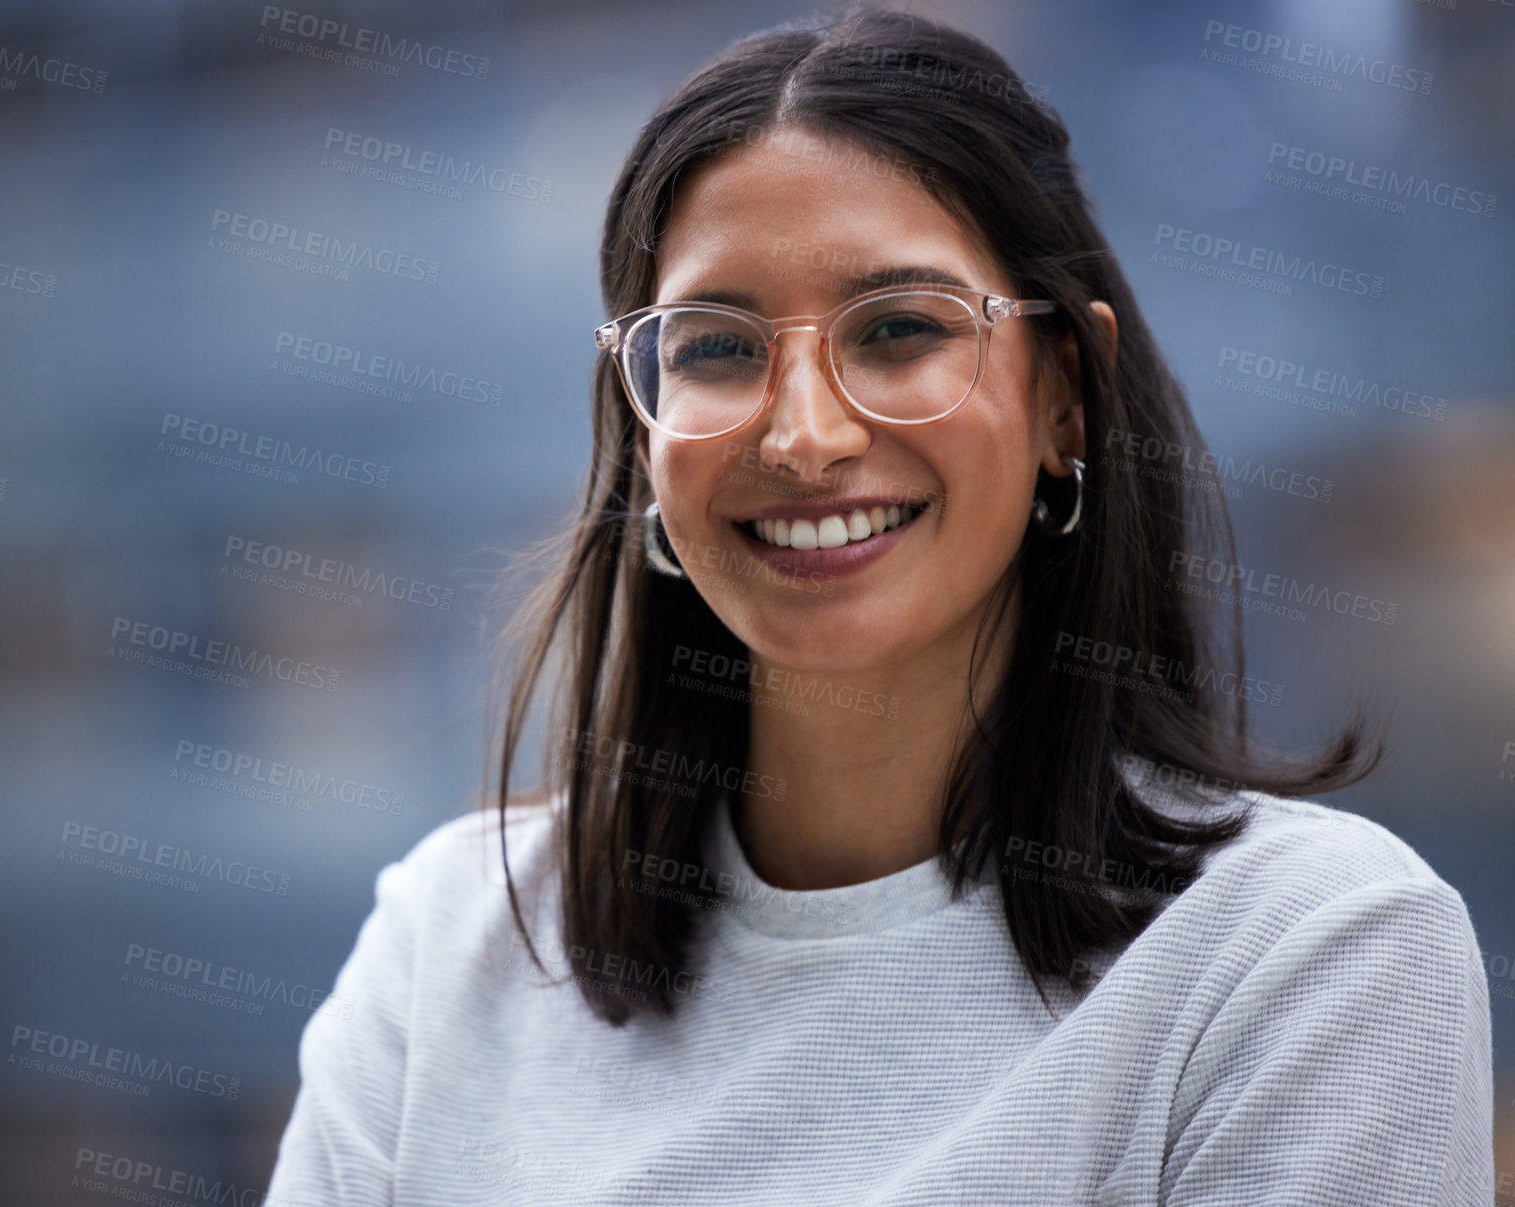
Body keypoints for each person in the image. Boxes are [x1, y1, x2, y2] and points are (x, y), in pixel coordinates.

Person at [264, 7, 1494, 1204]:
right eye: (716, 346)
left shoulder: (1308, 955)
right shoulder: (451, 942)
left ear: (1067, 394)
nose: (803, 435)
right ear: (643, 437)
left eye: (900, 328)